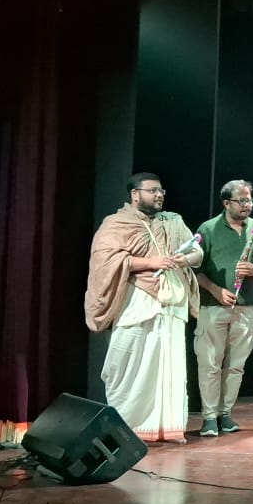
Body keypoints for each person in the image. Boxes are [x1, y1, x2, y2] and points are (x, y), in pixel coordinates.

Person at [85, 172, 202, 443]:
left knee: (169, 367)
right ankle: (125, 426)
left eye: (161, 191)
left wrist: (183, 259)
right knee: (127, 365)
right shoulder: (116, 224)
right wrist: (151, 263)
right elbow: (106, 261)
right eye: (152, 191)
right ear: (135, 194)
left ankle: (166, 428)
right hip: (137, 300)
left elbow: (198, 253)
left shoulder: (173, 221)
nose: (159, 195)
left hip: (172, 303)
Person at [194, 179, 253, 437]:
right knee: (210, 363)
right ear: (226, 203)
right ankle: (208, 417)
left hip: (247, 306)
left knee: (236, 365)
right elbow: (195, 270)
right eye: (242, 201)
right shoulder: (208, 229)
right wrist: (216, 290)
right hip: (213, 306)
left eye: (250, 200)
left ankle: (225, 413)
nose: (247, 205)